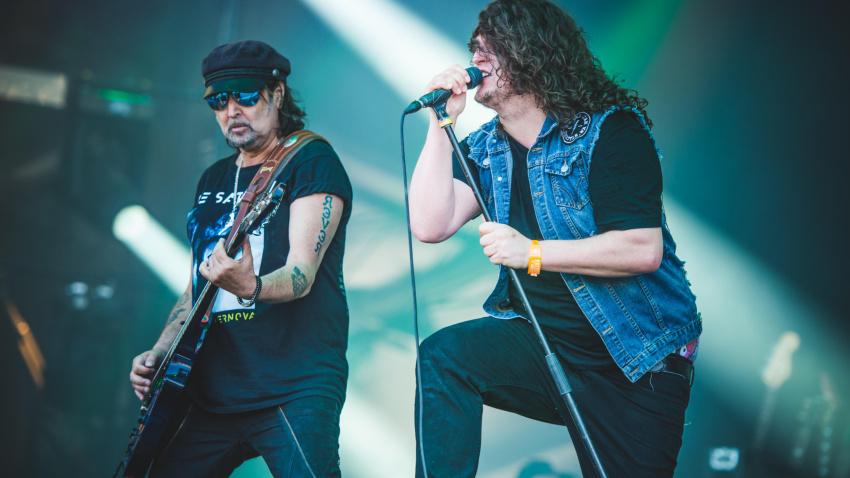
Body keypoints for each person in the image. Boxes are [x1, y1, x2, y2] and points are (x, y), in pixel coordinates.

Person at [408, 1, 701, 477]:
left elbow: (641, 249)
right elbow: (429, 224)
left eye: (489, 51)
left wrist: (533, 254)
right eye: (473, 51)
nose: (475, 62)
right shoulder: (486, 146)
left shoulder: (611, 131)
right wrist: (441, 124)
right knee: (445, 357)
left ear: (532, 53)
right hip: (548, 348)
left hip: (635, 360)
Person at [128, 40, 352, 477]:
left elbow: (302, 274)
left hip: (294, 384)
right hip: (211, 387)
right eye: (219, 100)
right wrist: (159, 351)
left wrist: (251, 286)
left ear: (278, 93)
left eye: (246, 96)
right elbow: (199, 284)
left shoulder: (311, 161)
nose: (232, 110)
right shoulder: (212, 177)